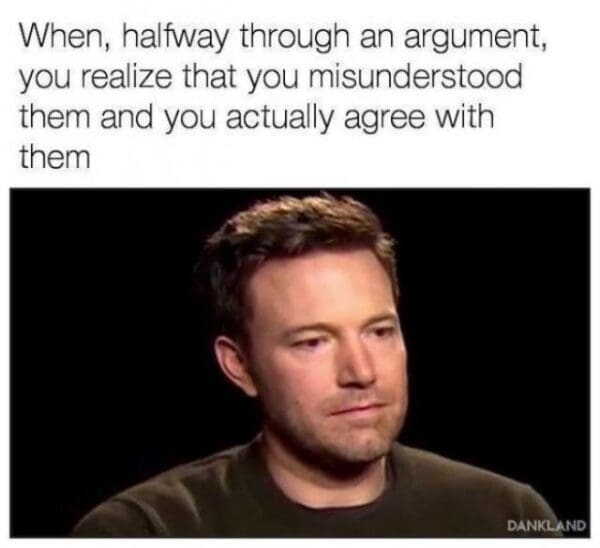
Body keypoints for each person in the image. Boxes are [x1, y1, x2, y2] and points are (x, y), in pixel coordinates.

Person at [72, 193, 559, 537]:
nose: (361, 372)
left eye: (379, 331)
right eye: (313, 342)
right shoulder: (144, 531)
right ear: (239, 365)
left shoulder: (508, 517)